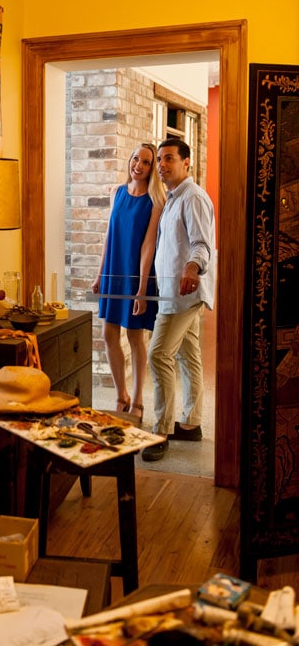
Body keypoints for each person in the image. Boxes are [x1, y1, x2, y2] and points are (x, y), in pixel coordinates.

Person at [141, 137, 216, 462]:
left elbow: (202, 244)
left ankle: (160, 432)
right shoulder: (172, 198)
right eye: (159, 159)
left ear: (187, 162)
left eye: (169, 158)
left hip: (183, 294)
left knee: (158, 355)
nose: (161, 165)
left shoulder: (193, 197)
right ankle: (192, 423)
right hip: (173, 291)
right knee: (188, 356)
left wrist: (191, 266)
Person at [92, 143, 166, 422]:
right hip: (113, 270)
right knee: (108, 335)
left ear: (151, 169)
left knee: (136, 338)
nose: (139, 165)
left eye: (146, 162)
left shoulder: (155, 200)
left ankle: (137, 401)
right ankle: (120, 397)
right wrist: (101, 274)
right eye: (136, 159)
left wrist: (142, 288)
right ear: (130, 161)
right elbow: (109, 236)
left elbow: (149, 245)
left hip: (136, 274)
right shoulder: (116, 193)